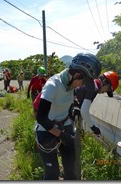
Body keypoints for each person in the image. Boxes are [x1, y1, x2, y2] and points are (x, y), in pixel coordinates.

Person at [35, 52, 101, 180]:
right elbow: (41, 118)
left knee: (71, 169)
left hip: (64, 125)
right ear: (76, 75)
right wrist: (61, 135)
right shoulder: (52, 86)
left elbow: (70, 96)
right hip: (47, 129)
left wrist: (74, 106)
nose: (82, 85)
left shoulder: (71, 82)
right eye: (83, 81)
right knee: (52, 174)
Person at [73, 71, 119, 135]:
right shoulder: (94, 88)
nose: (105, 92)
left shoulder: (91, 82)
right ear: (105, 82)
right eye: (108, 89)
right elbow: (84, 111)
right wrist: (93, 128)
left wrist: (81, 129)